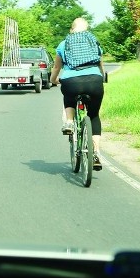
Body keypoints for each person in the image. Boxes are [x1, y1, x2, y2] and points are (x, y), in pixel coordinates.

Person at [50, 17, 105, 171]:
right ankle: (96, 154)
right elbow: (100, 63)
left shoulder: (64, 44)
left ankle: (69, 122)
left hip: (71, 82)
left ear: (71, 29)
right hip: (94, 81)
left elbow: (56, 66)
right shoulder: (93, 42)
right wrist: (101, 76)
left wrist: (53, 80)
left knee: (68, 98)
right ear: (86, 30)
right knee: (94, 115)